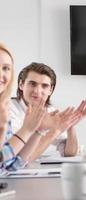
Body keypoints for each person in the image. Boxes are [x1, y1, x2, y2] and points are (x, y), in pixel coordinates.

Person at [9, 62, 86, 161]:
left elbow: (70, 153)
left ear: (50, 90)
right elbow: (19, 158)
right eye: (32, 84)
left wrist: (70, 126)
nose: (37, 91)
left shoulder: (50, 111)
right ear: (21, 84)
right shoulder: (7, 110)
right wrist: (55, 131)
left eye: (44, 86)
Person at [0, 43, 46, 172]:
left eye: (6, 68)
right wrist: (26, 130)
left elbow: (11, 164)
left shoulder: (3, 108)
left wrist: (38, 130)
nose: (1, 74)